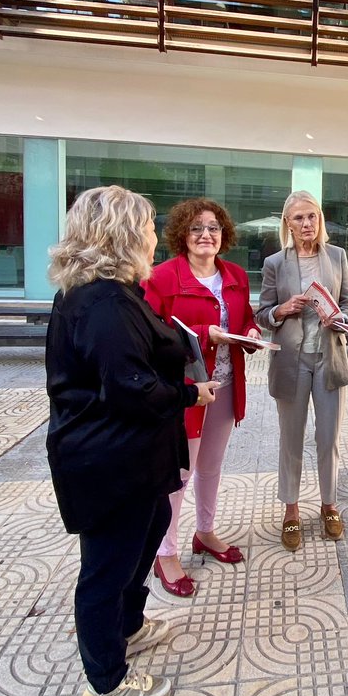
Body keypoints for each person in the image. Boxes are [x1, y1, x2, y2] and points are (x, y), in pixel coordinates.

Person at [45, 186, 220, 696]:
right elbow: (131, 389)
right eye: (146, 227)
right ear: (122, 234)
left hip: (126, 457)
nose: (152, 236)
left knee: (153, 523)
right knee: (104, 568)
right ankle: (106, 685)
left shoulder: (112, 292)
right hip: (107, 461)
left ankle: (129, 623)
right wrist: (192, 393)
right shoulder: (103, 303)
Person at [143, 198, 261, 597]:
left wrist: (252, 334)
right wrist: (201, 330)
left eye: (213, 227)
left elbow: (243, 319)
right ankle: (166, 552)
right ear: (182, 235)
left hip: (225, 386)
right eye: (196, 228)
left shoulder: (236, 276)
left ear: (223, 234)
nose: (206, 235)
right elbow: (150, 337)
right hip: (188, 392)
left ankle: (205, 533)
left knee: (211, 467)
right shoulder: (160, 278)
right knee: (179, 474)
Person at [257, 190, 348, 550]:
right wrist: (281, 310)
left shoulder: (337, 256)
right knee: (292, 439)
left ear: (320, 220)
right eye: (299, 218)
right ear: (288, 223)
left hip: (328, 357)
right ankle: (291, 509)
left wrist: (340, 316)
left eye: (312, 216)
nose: (307, 224)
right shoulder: (274, 263)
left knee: (328, 437)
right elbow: (262, 314)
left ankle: (329, 504)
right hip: (291, 361)